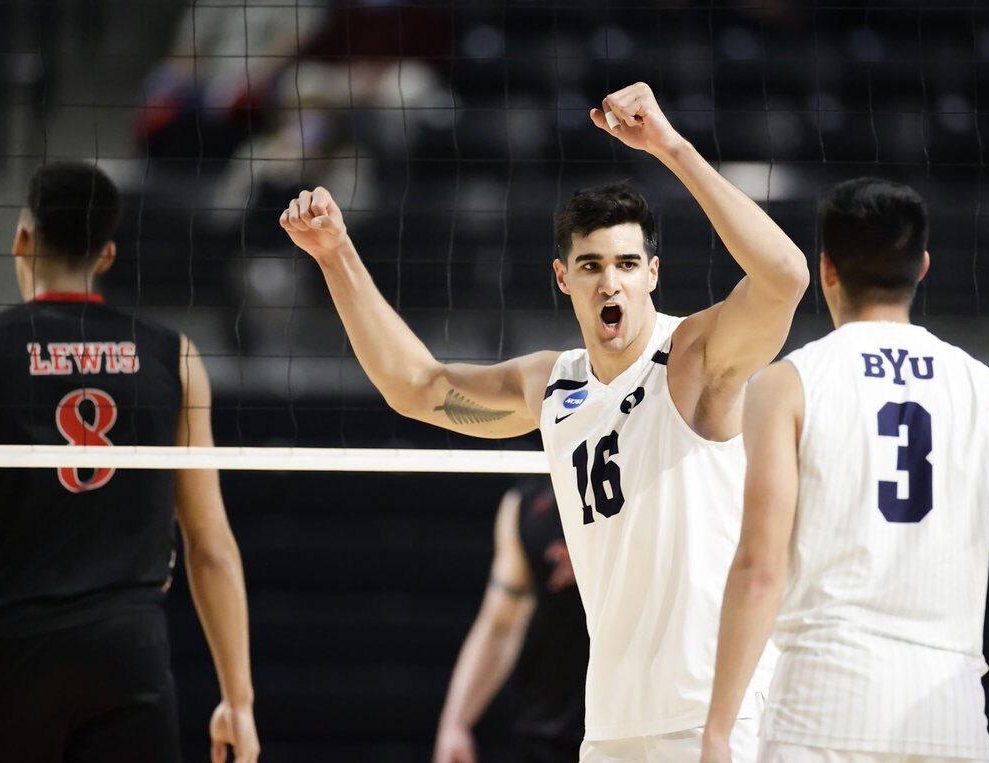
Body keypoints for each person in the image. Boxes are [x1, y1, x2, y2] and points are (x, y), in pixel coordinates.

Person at [280, 81, 809, 760]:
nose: (609, 283)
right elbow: (417, 387)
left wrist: (669, 146)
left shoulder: (696, 359)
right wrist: (336, 257)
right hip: (614, 725)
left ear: (652, 273)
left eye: (625, 265)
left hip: (718, 718)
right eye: (591, 267)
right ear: (564, 278)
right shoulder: (552, 384)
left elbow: (786, 277)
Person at [701, 177, 989, 763]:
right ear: (923, 267)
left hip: (821, 712)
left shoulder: (787, 385)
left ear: (827, 268)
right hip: (948, 720)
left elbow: (761, 567)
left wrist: (718, 730)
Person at [0, 162, 258, 763]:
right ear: (106, 254)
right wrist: (239, 701)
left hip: (12, 646)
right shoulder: (173, 355)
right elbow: (210, 545)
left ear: (22, 239)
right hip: (128, 652)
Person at [434, 478, 587, 763]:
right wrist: (455, 723)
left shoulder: (653, 482)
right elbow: (501, 624)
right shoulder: (527, 502)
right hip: (548, 728)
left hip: (636, 729)